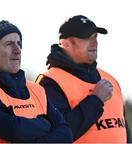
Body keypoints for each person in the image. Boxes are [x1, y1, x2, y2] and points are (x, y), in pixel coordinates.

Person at [0, 15, 73, 143]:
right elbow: (16, 130)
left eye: (19, 43)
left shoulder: (37, 90)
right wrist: (46, 123)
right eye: (9, 44)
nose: (17, 50)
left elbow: (66, 134)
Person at [36, 15, 131, 143]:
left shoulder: (111, 79)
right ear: (66, 44)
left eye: (95, 36)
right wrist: (96, 100)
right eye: (86, 37)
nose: (94, 42)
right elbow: (57, 135)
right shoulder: (50, 82)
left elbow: (124, 132)